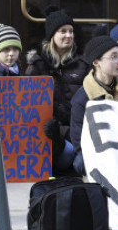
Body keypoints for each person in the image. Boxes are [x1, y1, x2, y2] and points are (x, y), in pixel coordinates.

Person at [69, 35, 118, 174]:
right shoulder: (82, 98)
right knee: (80, 162)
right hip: (101, 150)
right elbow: (79, 141)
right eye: (114, 57)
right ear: (96, 62)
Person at [25, 9, 89, 174]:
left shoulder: (83, 65)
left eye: (71, 31)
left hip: (77, 133)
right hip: (46, 136)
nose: (69, 35)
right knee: (66, 153)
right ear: (52, 35)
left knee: (73, 156)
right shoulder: (37, 66)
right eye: (63, 31)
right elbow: (28, 108)